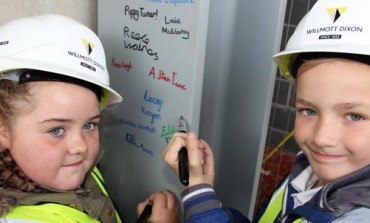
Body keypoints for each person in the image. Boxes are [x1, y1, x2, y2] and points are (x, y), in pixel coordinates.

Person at [163, 0, 370, 222]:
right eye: (309, 110)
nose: (322, 138)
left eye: (355, 116)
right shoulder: (307, 173)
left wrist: (199, 199)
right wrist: (205, 194)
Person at [0, 14, 178, 223]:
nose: (80, 146)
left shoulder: (66, 170)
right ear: (3, 131)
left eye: (89, 125)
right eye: (56, 130)